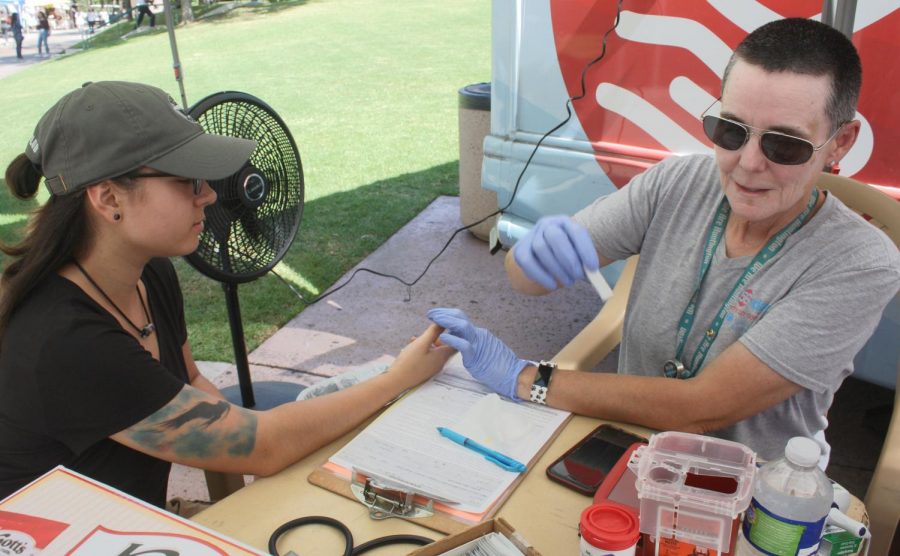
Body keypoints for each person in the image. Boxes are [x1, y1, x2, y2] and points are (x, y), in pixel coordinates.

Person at [429, 18, 900, 464]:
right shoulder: (678, 183)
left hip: (756, 491)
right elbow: (527, 281)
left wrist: (527, 379)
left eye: (785, 145)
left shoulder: (859, 261)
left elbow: (702, 407)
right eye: (730, 131)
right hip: (628, 447)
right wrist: (531, 260)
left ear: (840, 142)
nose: (748, 164)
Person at [0, 81, 454, 507]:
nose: (210, 197)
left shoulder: (150, 274)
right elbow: (262, 444)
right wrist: (396, 379)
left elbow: (194, 389)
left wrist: (232, 513)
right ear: (108, 198)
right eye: (187, 179)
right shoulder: (66, 339)